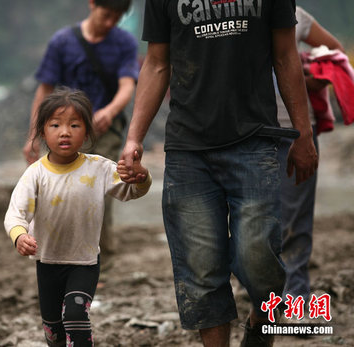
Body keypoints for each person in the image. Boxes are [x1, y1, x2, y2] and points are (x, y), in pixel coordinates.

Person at [120, 1, 319, 346]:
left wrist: (303, 134)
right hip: (188, 150)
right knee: (201, 271)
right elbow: (156, 63)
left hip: (254, 142)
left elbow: (287, 56)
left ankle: (260, 330)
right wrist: (134, 137)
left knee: (258, 257)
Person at [5, 88, 151, 346]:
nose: (65, 132)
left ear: (86, 132)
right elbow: (16, 213)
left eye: (74, 125)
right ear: (42, 132)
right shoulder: (35, 174)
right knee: (53, 330)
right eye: (55, 125)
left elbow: (130, 191)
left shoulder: (98, 168)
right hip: (47, 261)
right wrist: (19, 236)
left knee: (74, 315)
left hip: (84, 262)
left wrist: (140, 177)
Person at [22, 0, 139, 261]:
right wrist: (34, 136)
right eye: (106, 14)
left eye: (116, 18)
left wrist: (108, 112)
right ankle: (62, 253)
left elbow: (127, 85)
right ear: (92, 4)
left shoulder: (124, 43)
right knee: (62, 191)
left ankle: (101, 256)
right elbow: (44, 90)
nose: (110, 23)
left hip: (104, 129)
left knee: (100, 189)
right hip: (66, 130)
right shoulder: (62, 42)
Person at [276, 6, 344, 308]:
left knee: (295, 221)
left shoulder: (294, 13)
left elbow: (335, 50)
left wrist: (313, 76)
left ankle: (295, 301)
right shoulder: (234, 16)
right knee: (252, 221)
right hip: (248, 132)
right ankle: (262, 296)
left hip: (296, 131)